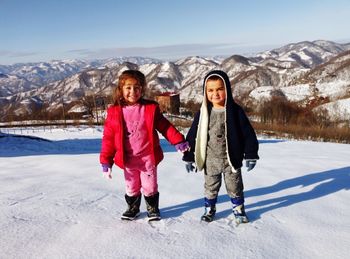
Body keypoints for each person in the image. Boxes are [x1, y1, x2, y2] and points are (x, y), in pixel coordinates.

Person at [100, 69, 189, 221]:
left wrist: (178, 140)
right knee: (131, 186)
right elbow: (108, 138)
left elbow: (165, 127)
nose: (132, 91)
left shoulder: (149, 109)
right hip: (128, 159)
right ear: (121, 89)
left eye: (137, 87)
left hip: (148, 158)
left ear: (142, 89)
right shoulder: (115, 112)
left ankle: (152, 208)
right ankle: (133, 208)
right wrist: (106, 161)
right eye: (128, 87)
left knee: (150, 186)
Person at [183, 70, 259, 223]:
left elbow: (248, 134)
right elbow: (193, 135)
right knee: (210, 187)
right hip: (210, 159)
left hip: (232, 159)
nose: (215, 94)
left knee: (235, 186)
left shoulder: (235, 111)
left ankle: (238, 210)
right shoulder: (204, 112)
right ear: (205, 92)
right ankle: (209, 209)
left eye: (219, 89)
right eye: (210, 90)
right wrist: (189, 155)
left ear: (227, 90)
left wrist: (250, 154)